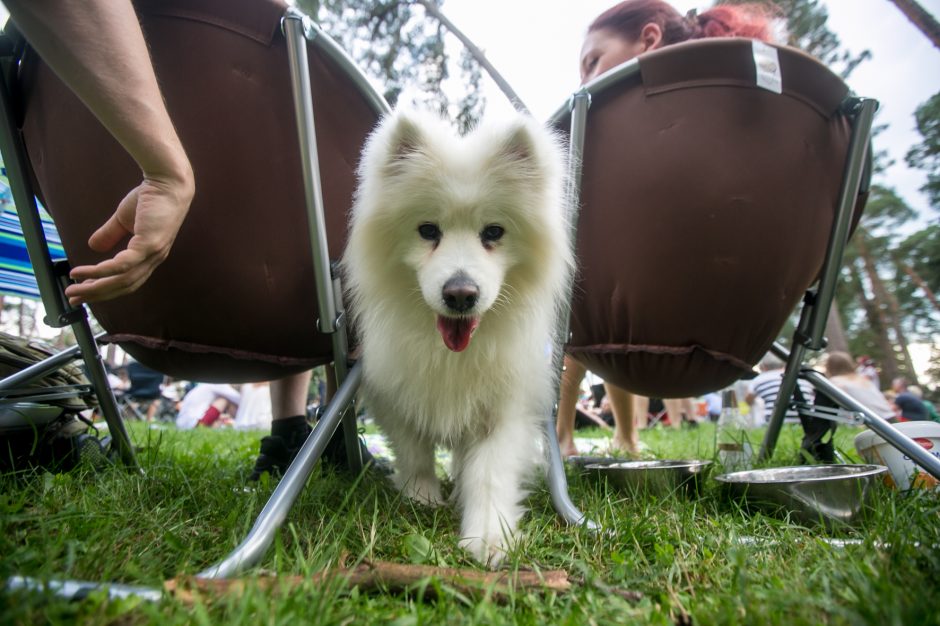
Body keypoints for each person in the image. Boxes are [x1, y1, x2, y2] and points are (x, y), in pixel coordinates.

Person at [5, 1, 345, 480]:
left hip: (127, 305)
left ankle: (290, 429)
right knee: (320, 239)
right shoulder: (274, 42)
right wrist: (164, 171)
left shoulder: (31, 58)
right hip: (287, 321)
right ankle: (322, 430)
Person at [556, 0, 773, 458]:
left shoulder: (610, 142)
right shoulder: (757, 123)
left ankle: (565, 437)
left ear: (649, 40)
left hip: (619, 316)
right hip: (737, 326)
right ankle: (627, 437)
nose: (584, 81)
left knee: (581, 285)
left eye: (592, 61)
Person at [824, 351, 894, 420]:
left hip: (874, 422)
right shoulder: (861, 379)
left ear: (829, 366)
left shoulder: (835, 381)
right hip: (889, 416)